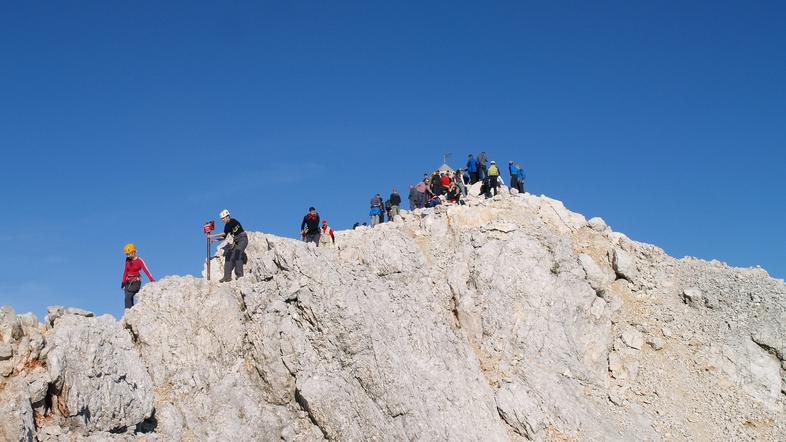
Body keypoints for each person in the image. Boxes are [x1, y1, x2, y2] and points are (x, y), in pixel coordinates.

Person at [207, 209, 249, 282]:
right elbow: (224, 236)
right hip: (236, 241)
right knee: (228, 256)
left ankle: (240, 276)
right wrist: (214, 241)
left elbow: (223, 233)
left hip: (243, 239)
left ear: (227, 216)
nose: (222, 220)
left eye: (223, 218)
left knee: (237, 254)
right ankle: (227, 277)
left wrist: (213, 235)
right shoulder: (227, 225)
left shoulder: (232, 221)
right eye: (222, 219)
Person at [121, 243, 154, 309]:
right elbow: (125, 271)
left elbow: (146, 270)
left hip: (135, 282)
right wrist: (123, 282)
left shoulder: (139, 261)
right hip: (128, 282)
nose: (127, 256)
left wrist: (152, 280)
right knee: (128, 299)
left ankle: (129, 312)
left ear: (134, 252)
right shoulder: (127, 260)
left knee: (128, 296)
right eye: (126, 254)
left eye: (129, 254)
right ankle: (131, 313)